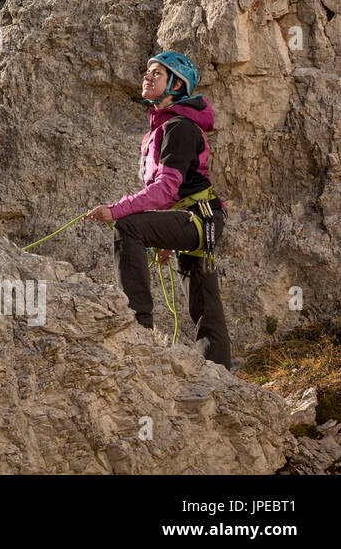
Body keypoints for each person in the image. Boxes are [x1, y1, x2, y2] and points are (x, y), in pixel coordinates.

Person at [84, 50, 232, 368]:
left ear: (176, 84)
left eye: (157, 73)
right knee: (204, 297)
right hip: (201, 218)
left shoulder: (180, 129)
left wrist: (116, 209)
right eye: (147, 71)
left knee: (128, 226)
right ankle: (219, 370)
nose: (147, 77)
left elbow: (166, 190)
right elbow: (167, 193)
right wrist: (165, 234)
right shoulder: (164, 129)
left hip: (197, 217)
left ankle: (138, 324)